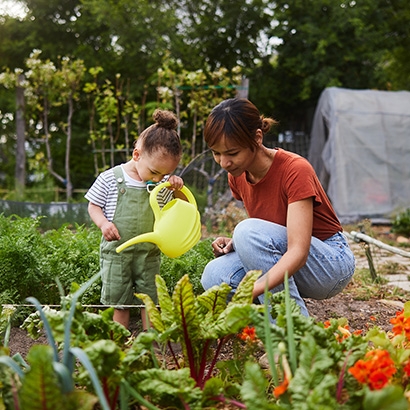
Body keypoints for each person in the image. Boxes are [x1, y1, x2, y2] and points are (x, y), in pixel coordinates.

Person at [200, 98, 355, 317]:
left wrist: (254, 288)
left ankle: (295, 329)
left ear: (257, 138)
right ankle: (267, 322)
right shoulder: (237, 175)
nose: (224, 162)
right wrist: (238, 243)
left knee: (246, 231)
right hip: (292, 258)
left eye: (232, 153)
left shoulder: (295, 169)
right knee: (215, 276)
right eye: (216, 153)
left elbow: (298, 251)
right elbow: (269, 226)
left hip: (329, 264)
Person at [85, 109, 184, 329]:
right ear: (137, 155)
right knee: (120, 303)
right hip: (117, 253)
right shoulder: (110, 178)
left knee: (150, 301)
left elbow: (177, 208)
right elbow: (93, 205)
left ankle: (151, 341)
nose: (158, 179)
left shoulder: (162, 183)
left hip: (149, 254)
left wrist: (175, 187)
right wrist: (103, 223)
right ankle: (120, 342)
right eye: (154, 172)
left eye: (165, 174)